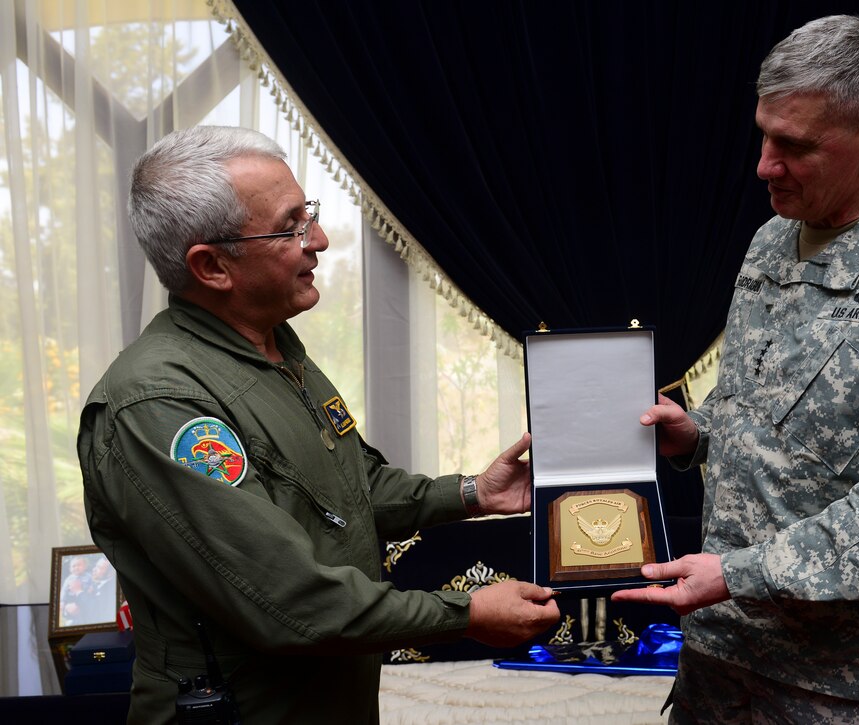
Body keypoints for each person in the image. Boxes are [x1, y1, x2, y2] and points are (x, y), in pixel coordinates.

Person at [78, 125, 559, 724]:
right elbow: (288, 601)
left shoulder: (272, 348)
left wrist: (472, 493)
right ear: (211, 266)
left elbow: (348, 491)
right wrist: (466, 614)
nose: (321, 240)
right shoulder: (159, 405)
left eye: (311, 216)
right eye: (291, 227)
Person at [613, 15, 859, 724]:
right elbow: (770, 416)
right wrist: (697, 433)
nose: (765, 165)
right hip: (718, 666)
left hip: (843, 690)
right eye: (764, 135)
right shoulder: (770, 241)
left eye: (793, 145)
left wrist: (738, 572)